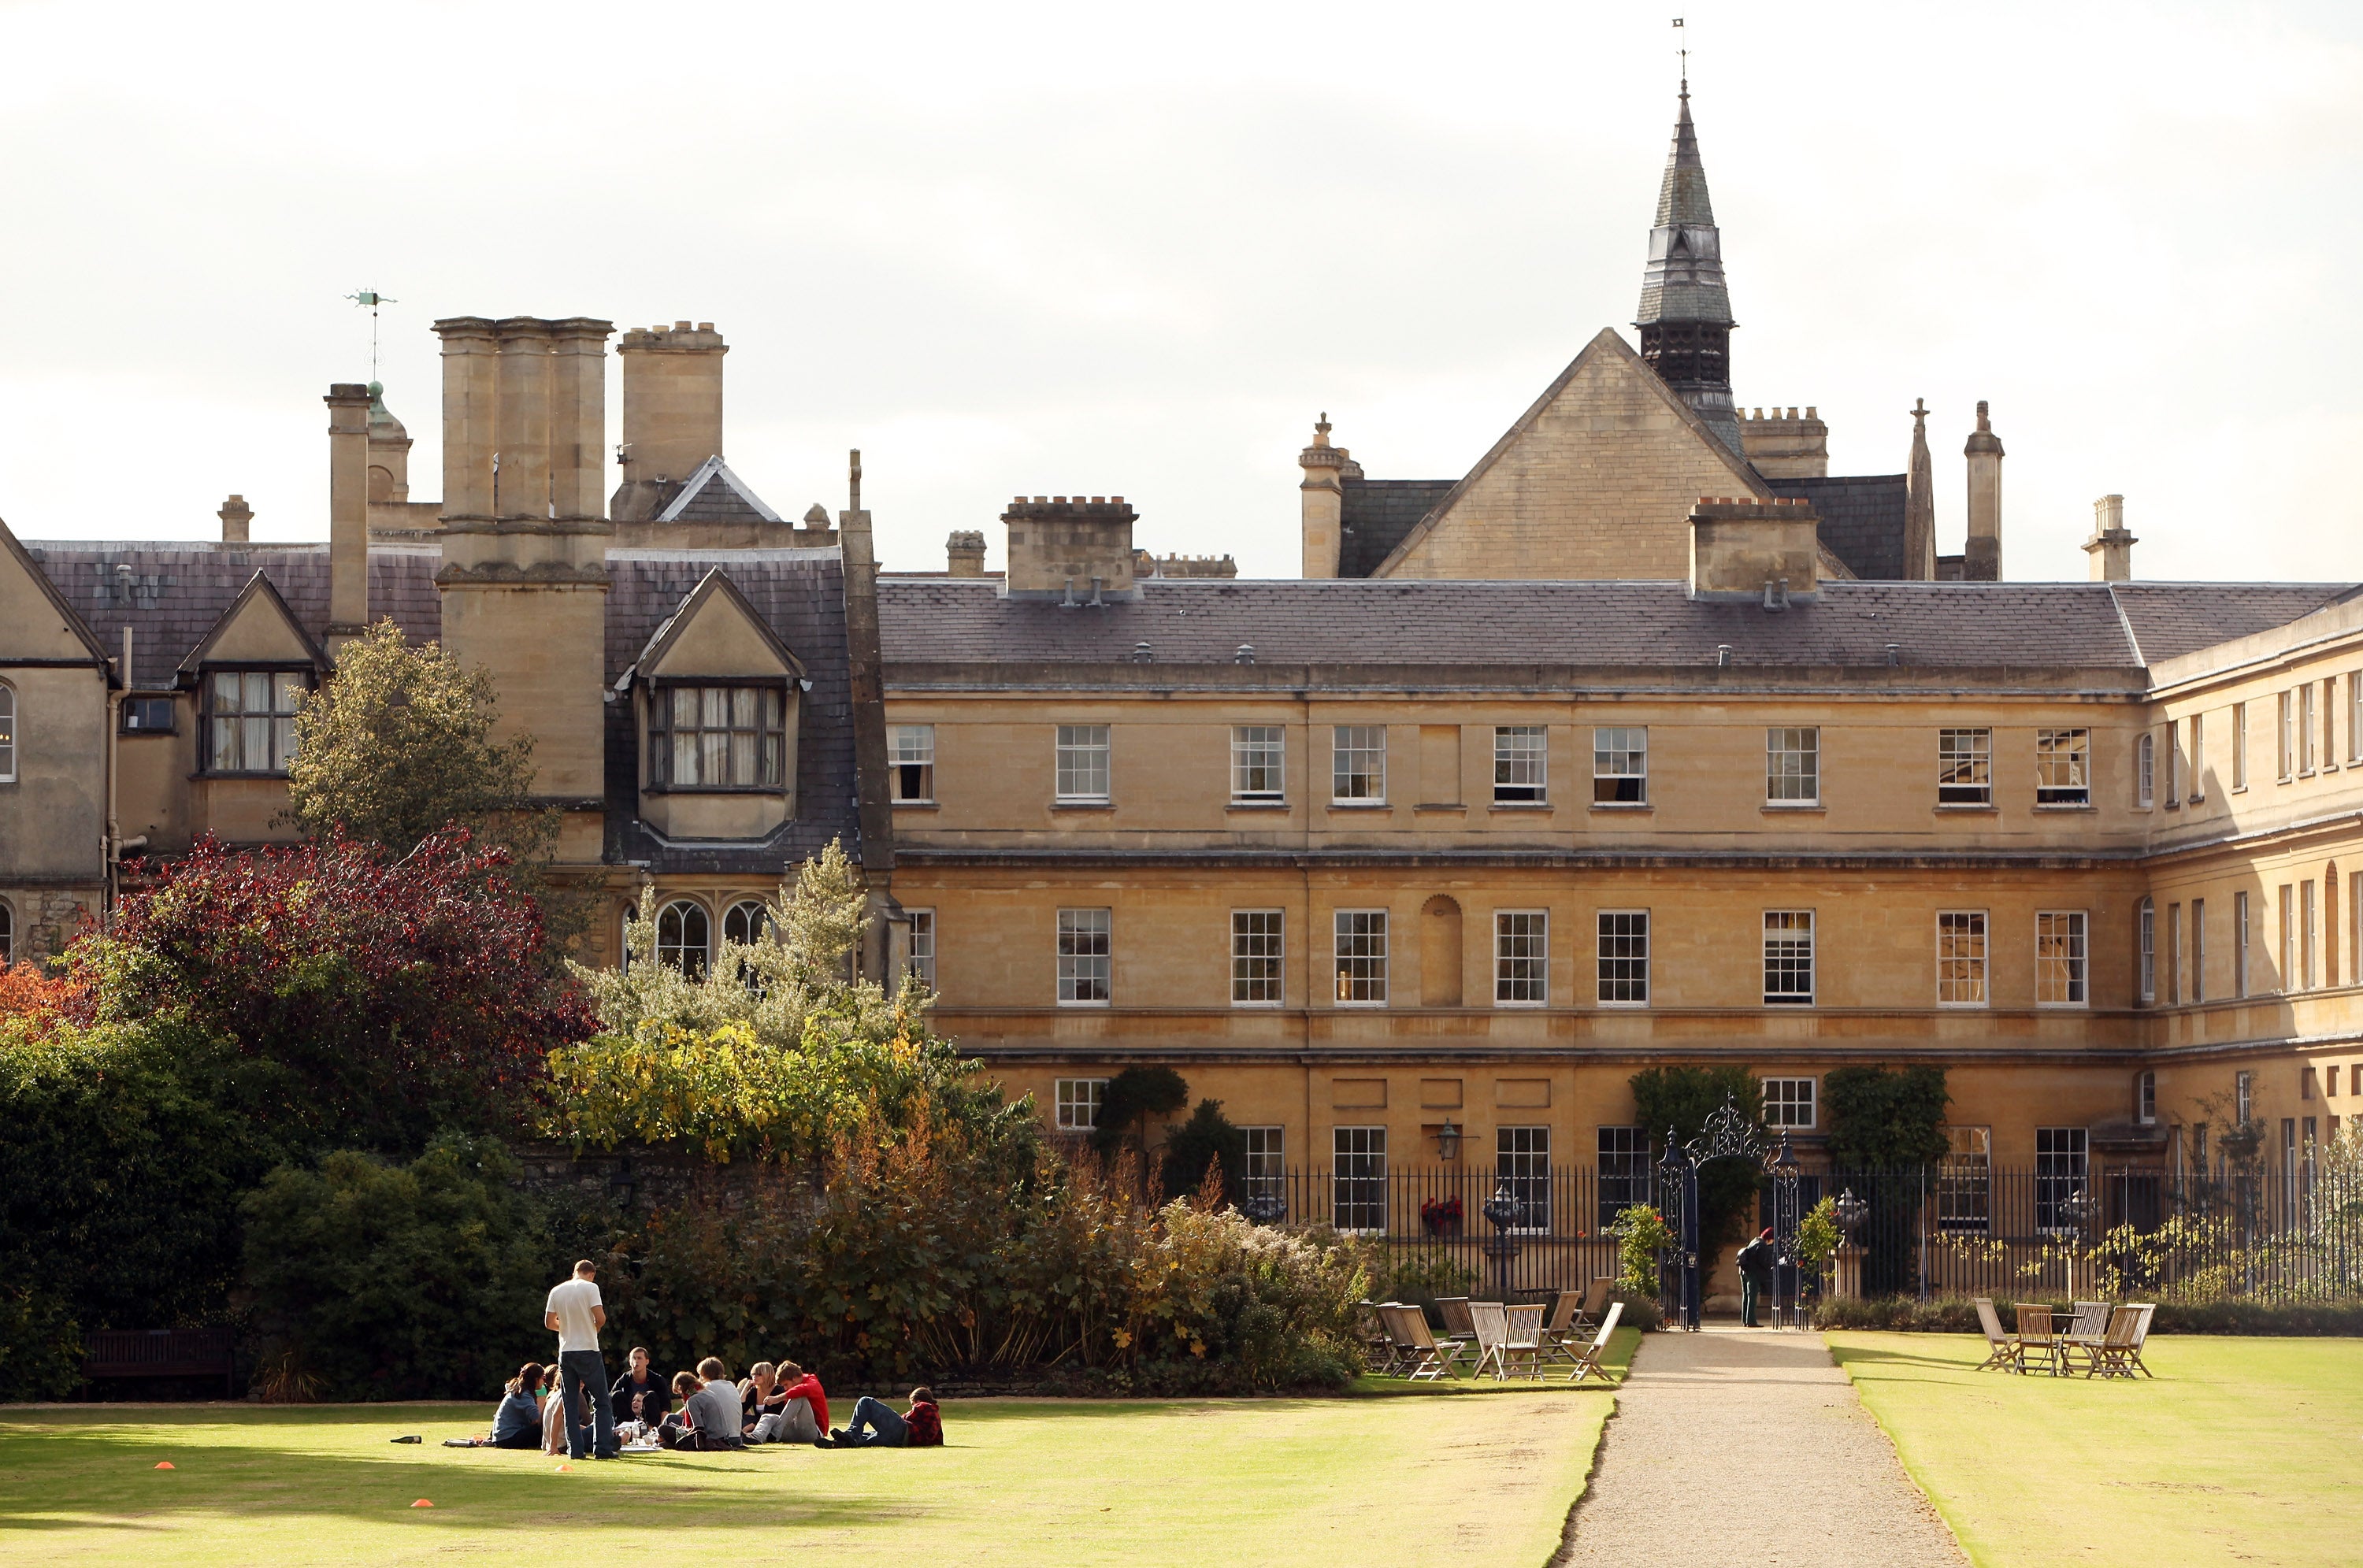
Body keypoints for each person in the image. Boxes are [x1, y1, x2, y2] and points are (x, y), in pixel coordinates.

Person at [544, 1259, 618, 1461]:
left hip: (566, 1352)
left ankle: (575, 1451)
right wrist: (592, 1327)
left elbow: (549, 1323)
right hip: (588, 1350)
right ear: (591, 1274)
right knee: (601, 1402)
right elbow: (600, 1318)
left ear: (574, 1272)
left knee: (569, 1403)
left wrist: (568, 1328)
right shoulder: (591, 1288)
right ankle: (602, 1449)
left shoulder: (557, 1291)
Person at [447, 1363, 547, 1448]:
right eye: (543, 1378)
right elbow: (537, 1419)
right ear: (535, 1379)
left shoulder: (519, 1391)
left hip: (502, 1436)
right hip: (507, 1438)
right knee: (543, 1429)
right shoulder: (523, 1395)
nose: (544, 1382)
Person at [827, 1387, 941, 1450]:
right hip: (899, 1442)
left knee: (866, 1401)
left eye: (912, 1404)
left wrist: (898, 1416)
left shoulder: (925, 1406)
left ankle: (851, 1434)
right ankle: (841, 1443)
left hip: (902, 1432)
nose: (913, 1406)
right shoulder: (936, 1417)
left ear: (918, 1400)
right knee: (863, 1437)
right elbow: (938, 1441)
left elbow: (906, 1417)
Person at [767, 1360, 828, 1445]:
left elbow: (803, 1390)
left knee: (800, 1397)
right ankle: (756, 1437)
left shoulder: (813, 1382)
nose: (785, 1388)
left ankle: (775, 1434)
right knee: (768, 1417)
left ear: (795, 1378)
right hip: (796, 1430)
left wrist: (777, 1398)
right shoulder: (792, 1391)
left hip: (814, 1433)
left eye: (786, 1384)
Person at [611, 1347, 670, 1433]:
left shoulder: (657, 1380)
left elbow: (666, 1405)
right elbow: (610, 1398)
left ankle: (651, 1432)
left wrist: (662, 1428)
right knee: (617, 1395)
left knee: (650, 1395)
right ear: (630, 1362)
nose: (636, 1361)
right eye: (634, 1358)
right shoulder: (624, 1379)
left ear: (647, 1361)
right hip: (629, 1420)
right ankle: (622, 1432)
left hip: (651, 1418)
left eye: (639, 1358)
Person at [1736, 1227, 1777, 1329]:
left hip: (1743, 1270)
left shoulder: (1755, 1240)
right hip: (1752, 1273)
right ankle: (1751, 1321)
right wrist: (1770, 1265)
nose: (1772, 1242)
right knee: (1752, 1296)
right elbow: (1762, 1261)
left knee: (1746, 1296)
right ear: (1769, 1238)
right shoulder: (1762, 1245)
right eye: (1772, 1239)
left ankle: (1745, 1320)